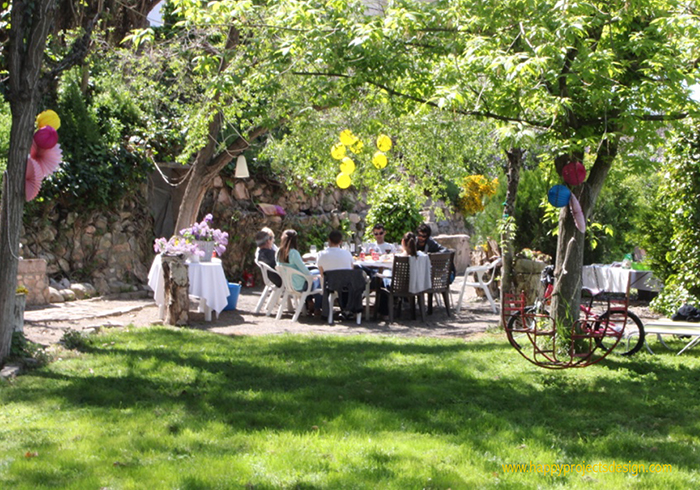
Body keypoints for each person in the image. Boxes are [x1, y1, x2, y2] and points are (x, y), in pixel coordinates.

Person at [277, 229, 321, 312]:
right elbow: (305, 271)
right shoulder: (293, 253)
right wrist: (313, 276)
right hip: (300, 286)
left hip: (288, 284)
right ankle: (317, 308)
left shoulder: (278, 252)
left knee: (315, 274)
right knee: (319, 276)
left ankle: (309, 302)